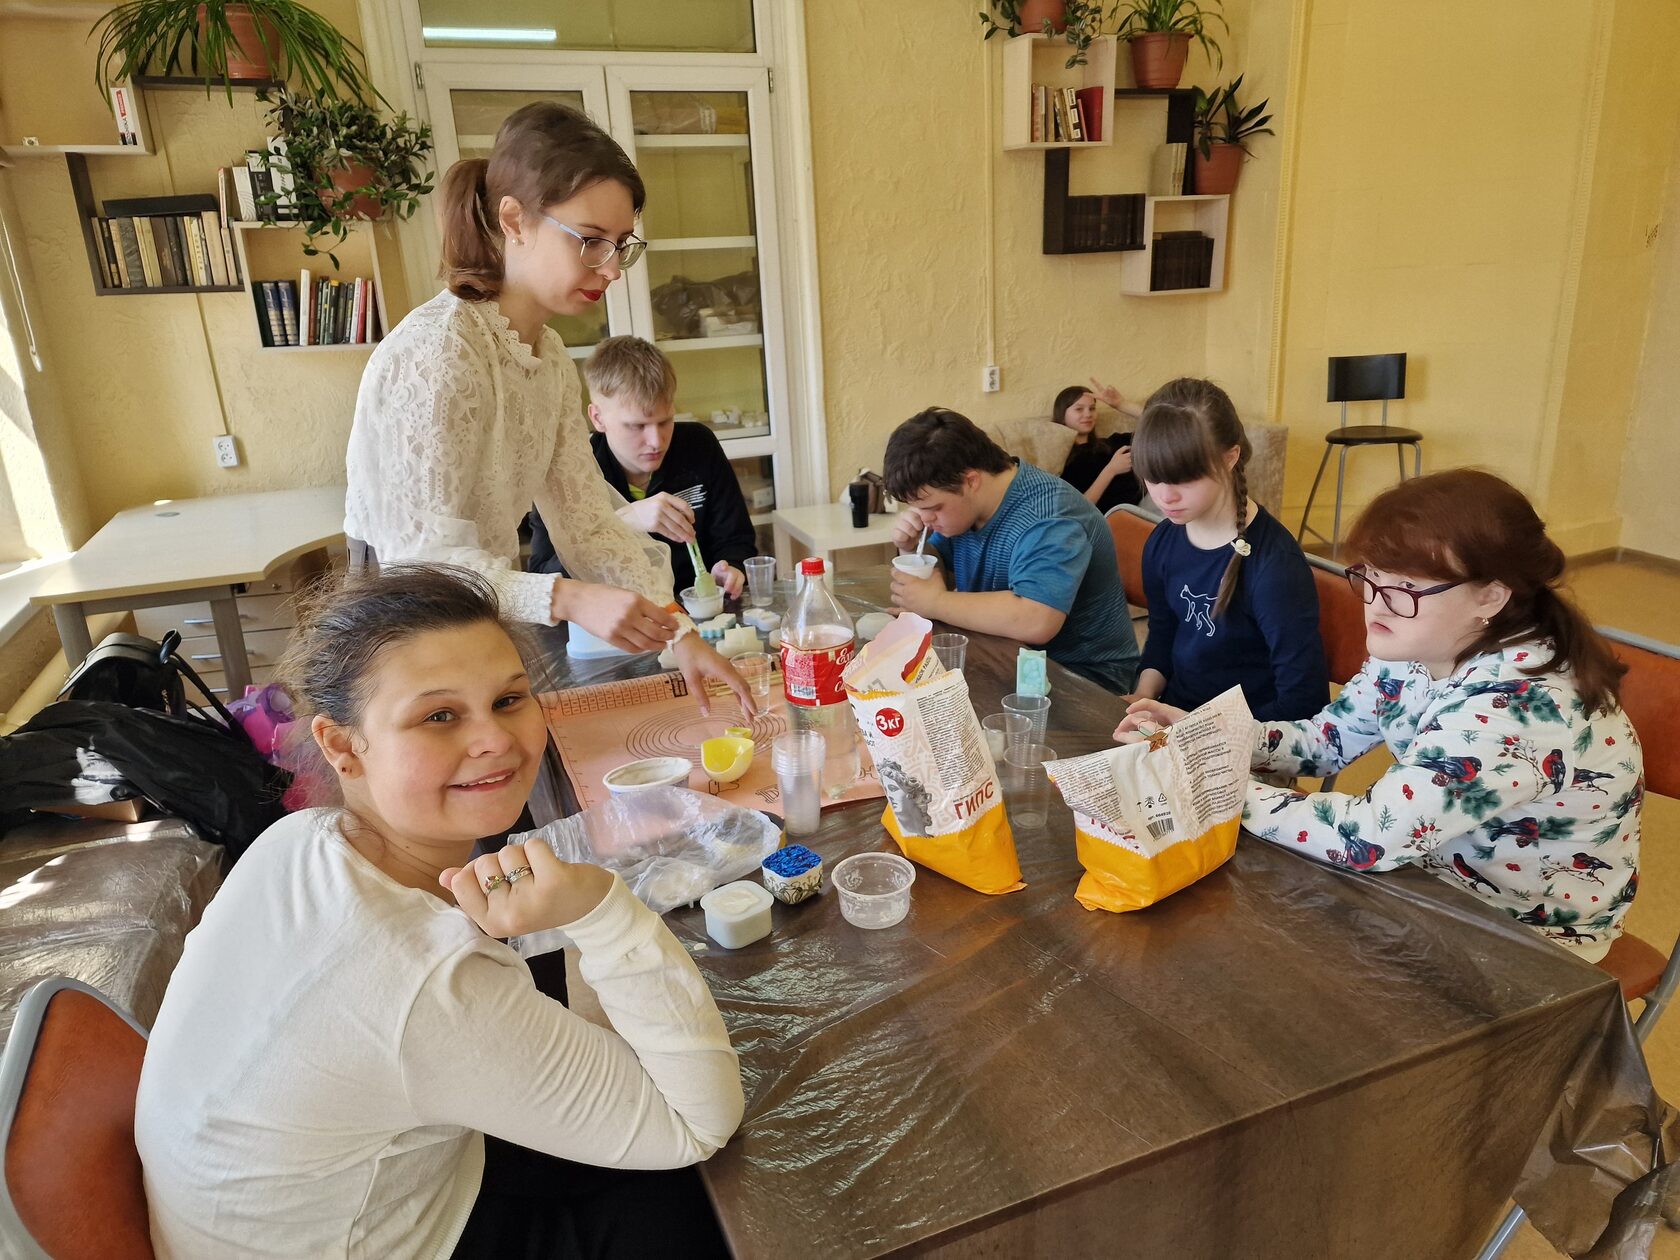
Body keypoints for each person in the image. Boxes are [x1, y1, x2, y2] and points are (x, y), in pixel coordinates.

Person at [134, 565, 743, 1258]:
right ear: (341, 745)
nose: (497, 741)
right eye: (439, 716)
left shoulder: (296, 839)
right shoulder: (426, 981)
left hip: (286, 1213)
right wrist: (600, 907)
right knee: (693, 1200)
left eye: (509, 700)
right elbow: (696, 1123)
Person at [1117, 469, 1642, 961]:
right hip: (1425, 876)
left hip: (1526, 934)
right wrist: (1203, 733)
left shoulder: (1521, 706)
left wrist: (1207, 777)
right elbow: (1324, 741)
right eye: (1371, 576)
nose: (1377, 603)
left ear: (1491, 596)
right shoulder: (1417, 646)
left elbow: (1367, 838)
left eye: (1407, 588)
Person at [342, 101, 750, 716]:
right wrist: (569, 598)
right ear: (514, 220)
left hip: (472, 611)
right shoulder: (439, 351)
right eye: (590, 241)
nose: (611, 269)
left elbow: (585, 521)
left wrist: (680, 633)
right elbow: (421, 564)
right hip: (399, 635)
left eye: (621, 246)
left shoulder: (550, 356)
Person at [885, 407, 1140, 693]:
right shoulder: (963, 512)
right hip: (1007, 654)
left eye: (933, 508)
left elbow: (1037, 619)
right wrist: (912, 549)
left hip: (1085, 679)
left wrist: (936, 602)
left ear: (971, 481)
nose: (925, 519)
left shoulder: (1049, 517)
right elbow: (941, 575)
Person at [1127, 378, 1328, 720]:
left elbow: (1304, 701)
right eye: (1153, 477)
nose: (1165, 497)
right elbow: (1162, 634)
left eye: (1185, 478)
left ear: (1231, 456)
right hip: (1176, 717)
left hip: (1249, 733)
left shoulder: (1275, 567)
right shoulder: (1163, 540)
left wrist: (1196, 729)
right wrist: (1142, 698)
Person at [528, 336, 757, 600]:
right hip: (614, 617)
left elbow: (736, 541)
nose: (656, 441)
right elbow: (543, 579)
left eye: (665, 422)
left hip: (697, 608)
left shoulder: (699, 444)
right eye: (637, 426)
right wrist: (623, 523)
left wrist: (731, 569)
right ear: (598, 418)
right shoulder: (567, 473)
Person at [1055, 378, 1144, 514]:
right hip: (1115, 517)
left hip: (1149, 503)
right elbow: (1078, 510)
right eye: (1079, 409)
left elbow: (1163, 427)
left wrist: (1121, 404)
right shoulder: (1062, 461)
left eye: (1092, 408)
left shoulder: (1112, 443)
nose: (1088, 414)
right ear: (1062, 415)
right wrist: (1111, 470)